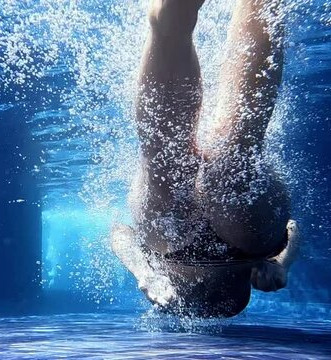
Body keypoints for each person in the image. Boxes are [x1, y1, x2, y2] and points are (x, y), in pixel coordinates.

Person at [111, 0, 300, 318]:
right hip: (249, 249)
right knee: (231, 160)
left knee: (166, 165)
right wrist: (281, 265)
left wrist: (144, 274)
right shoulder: (240, 295)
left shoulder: (164, 291)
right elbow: (293, 228)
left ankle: (173, 15)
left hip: (170, 252)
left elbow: (119, 233)